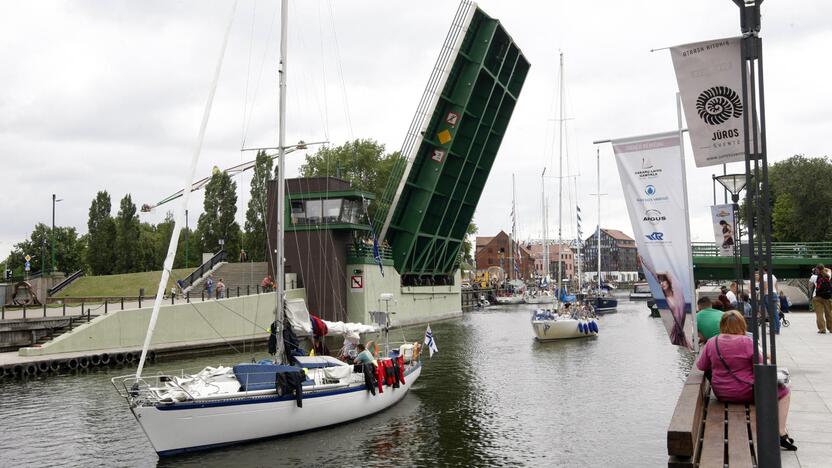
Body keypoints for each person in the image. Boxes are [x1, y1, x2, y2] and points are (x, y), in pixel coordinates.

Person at [696, 311, 796, 450]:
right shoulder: (748, 342)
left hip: (721, 393)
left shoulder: (712, 342)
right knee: (785, 392)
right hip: (746, 392)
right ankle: (780, 431)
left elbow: (701, 366)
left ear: (722, 325)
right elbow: (761, 368)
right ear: (742, 324)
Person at [640, 255, 690, 348]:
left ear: (669, 282)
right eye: (660, 282)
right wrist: (645, 262)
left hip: (680, 328)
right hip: (677, 329)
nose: (662, 283)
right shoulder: (666, 298)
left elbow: (668, 274)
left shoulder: (678, 293)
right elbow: (653, 274)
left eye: (663, 281)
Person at [812, 265, 832, 334]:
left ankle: (822, 329)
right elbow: (829, 270)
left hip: (817, 297)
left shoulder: (814, 277)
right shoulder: (828, 276)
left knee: (819, 314)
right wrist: (824, 268)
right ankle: (831, 328)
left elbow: (811, 285)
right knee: (829, 313)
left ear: (817, 270)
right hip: (827, 297)